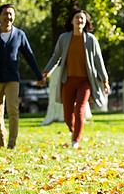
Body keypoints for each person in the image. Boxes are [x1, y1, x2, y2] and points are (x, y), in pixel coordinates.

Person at [42, 10, 109, 150]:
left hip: (85, 82)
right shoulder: (64, 38)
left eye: (82, 19)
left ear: (86, 22)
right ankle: (74, 129)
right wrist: (46, 72)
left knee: (79, 109)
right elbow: (56, 57)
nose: (79, 20)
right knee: (67, 116)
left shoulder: (91, 40)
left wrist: (105, 81)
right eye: (77, 18)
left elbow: (99, 61)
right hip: (68, 80)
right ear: (71, 21)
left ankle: (75, 141)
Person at [0, 4, 45, 149]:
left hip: (12, 79)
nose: (8, 17)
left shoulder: (19, 35)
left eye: (11, 14)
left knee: (13, 109)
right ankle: (1, 141)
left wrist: (39, 75)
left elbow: (29, 56)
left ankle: (12, 143)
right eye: (5, 14)